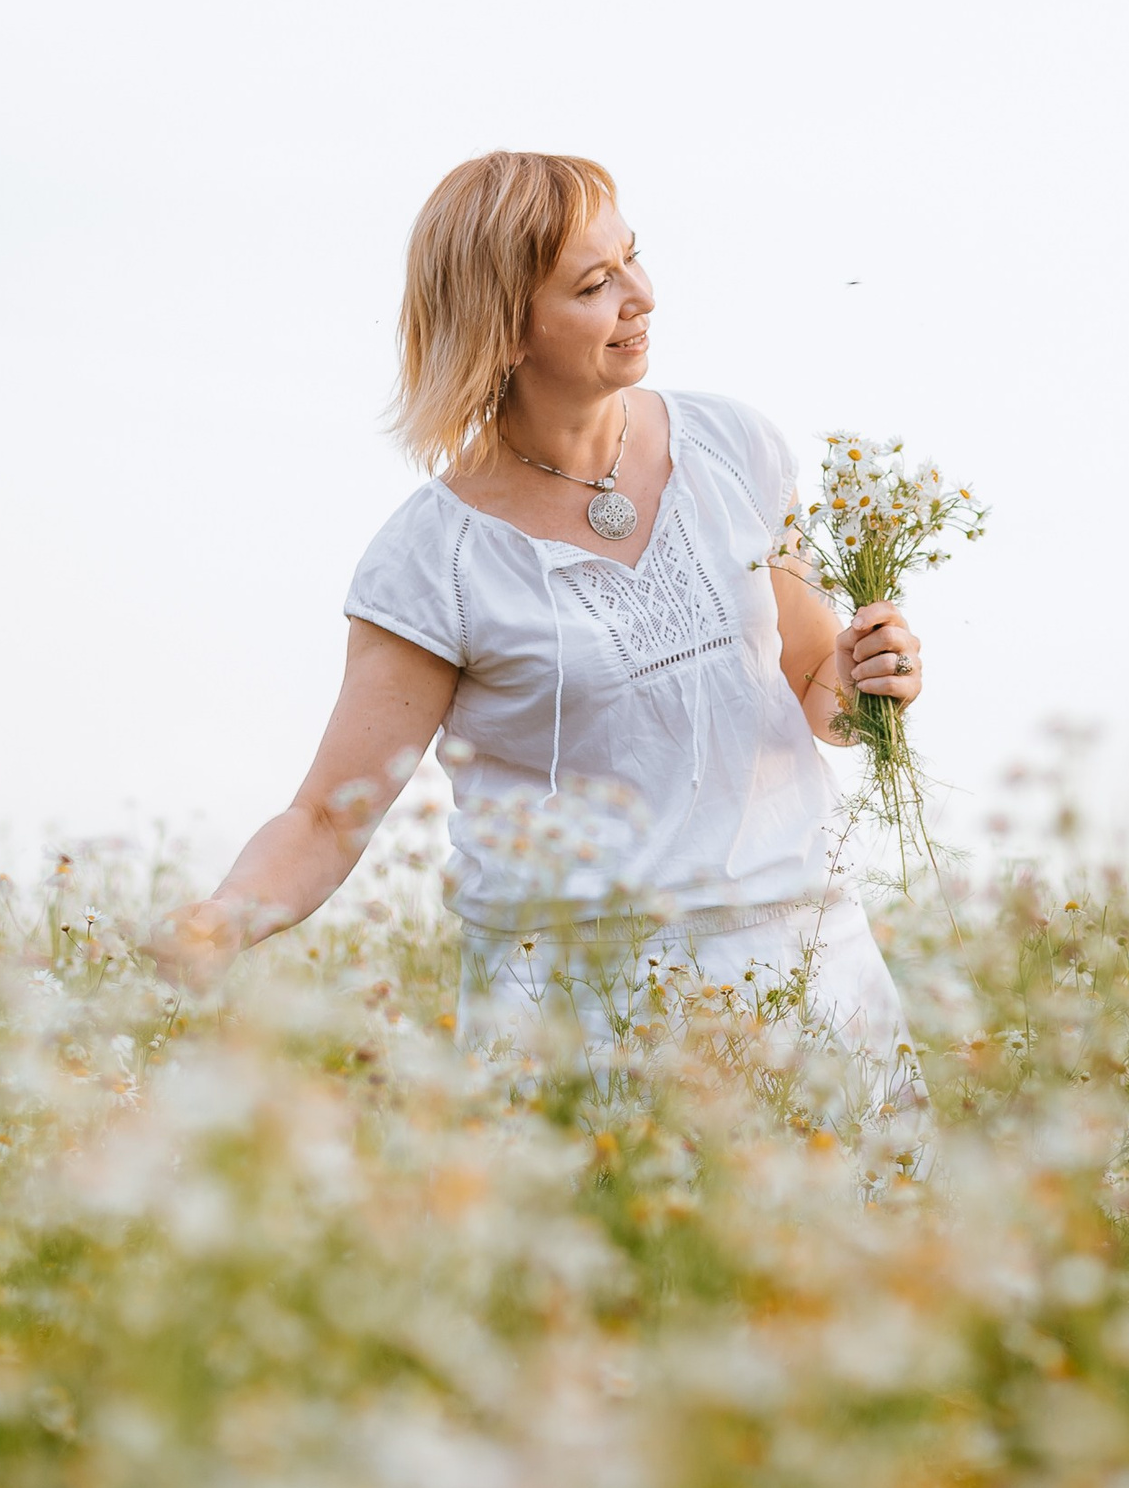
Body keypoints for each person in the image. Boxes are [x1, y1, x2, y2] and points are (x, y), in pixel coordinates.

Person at [152, 152, 925, 1091]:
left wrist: (869, 675)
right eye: (595, 285)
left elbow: (816, 695)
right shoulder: (432, 558)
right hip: (580, 1020)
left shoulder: (736, 448)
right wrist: (220, 919)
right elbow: (326, 815)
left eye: (632, 259)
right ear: (506, 329)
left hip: (813, 981)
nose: (640, 296)